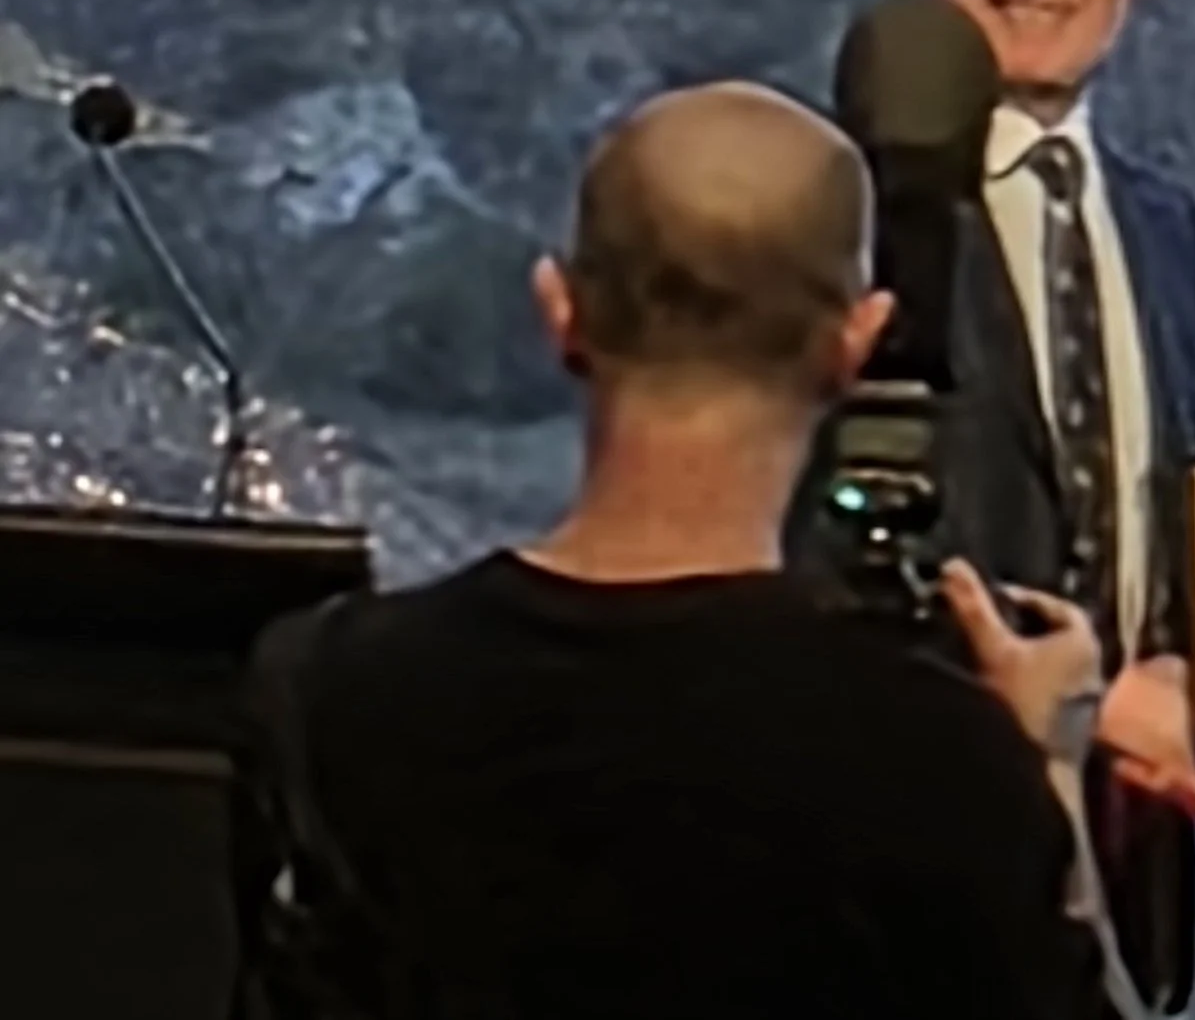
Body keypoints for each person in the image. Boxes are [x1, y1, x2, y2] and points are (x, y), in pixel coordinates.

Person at [232, 82, 1111, 1020]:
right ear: (855, 344)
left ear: (561, 309)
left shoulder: (327, 694)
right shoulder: (941, 756)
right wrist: (1047, 763)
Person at [908, 0, 1195, 1012]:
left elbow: (1192, 516)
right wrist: (1072, 717)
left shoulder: (1168, 229)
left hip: (1133, 881)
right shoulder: (857, 210)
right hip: (910, 880)